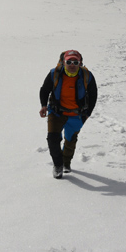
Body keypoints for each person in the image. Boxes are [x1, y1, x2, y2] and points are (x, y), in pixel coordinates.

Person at [39, 50, 98, 178]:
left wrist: (87, 114)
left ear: (80, 63)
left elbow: (93, 95)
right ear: (63, 62)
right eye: (69, 62)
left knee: (70, 141)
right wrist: (43, 105)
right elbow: (44, 90)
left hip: (77, 115)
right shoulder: (54, 74)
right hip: (56, 112)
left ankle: (66, 163)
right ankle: (58, 165)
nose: (72, 65)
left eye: (75, 62)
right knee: (53, 139)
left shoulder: (87, 76)